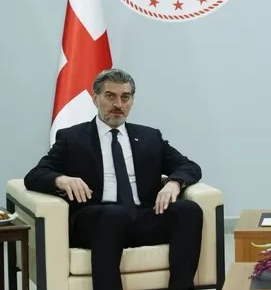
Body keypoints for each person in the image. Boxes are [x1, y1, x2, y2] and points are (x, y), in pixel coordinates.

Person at [25, 68, 203, 290]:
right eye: (110, 96)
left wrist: (174, 183)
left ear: (132, 101)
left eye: (125, 97)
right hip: (96, 219)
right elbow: (35, 175)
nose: (118, 104)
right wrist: (62, 179)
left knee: (188, 210)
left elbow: (189, 166)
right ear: (95, 98)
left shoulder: (149, 137)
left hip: (142, 215)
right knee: (114, 215)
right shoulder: (73, 138)